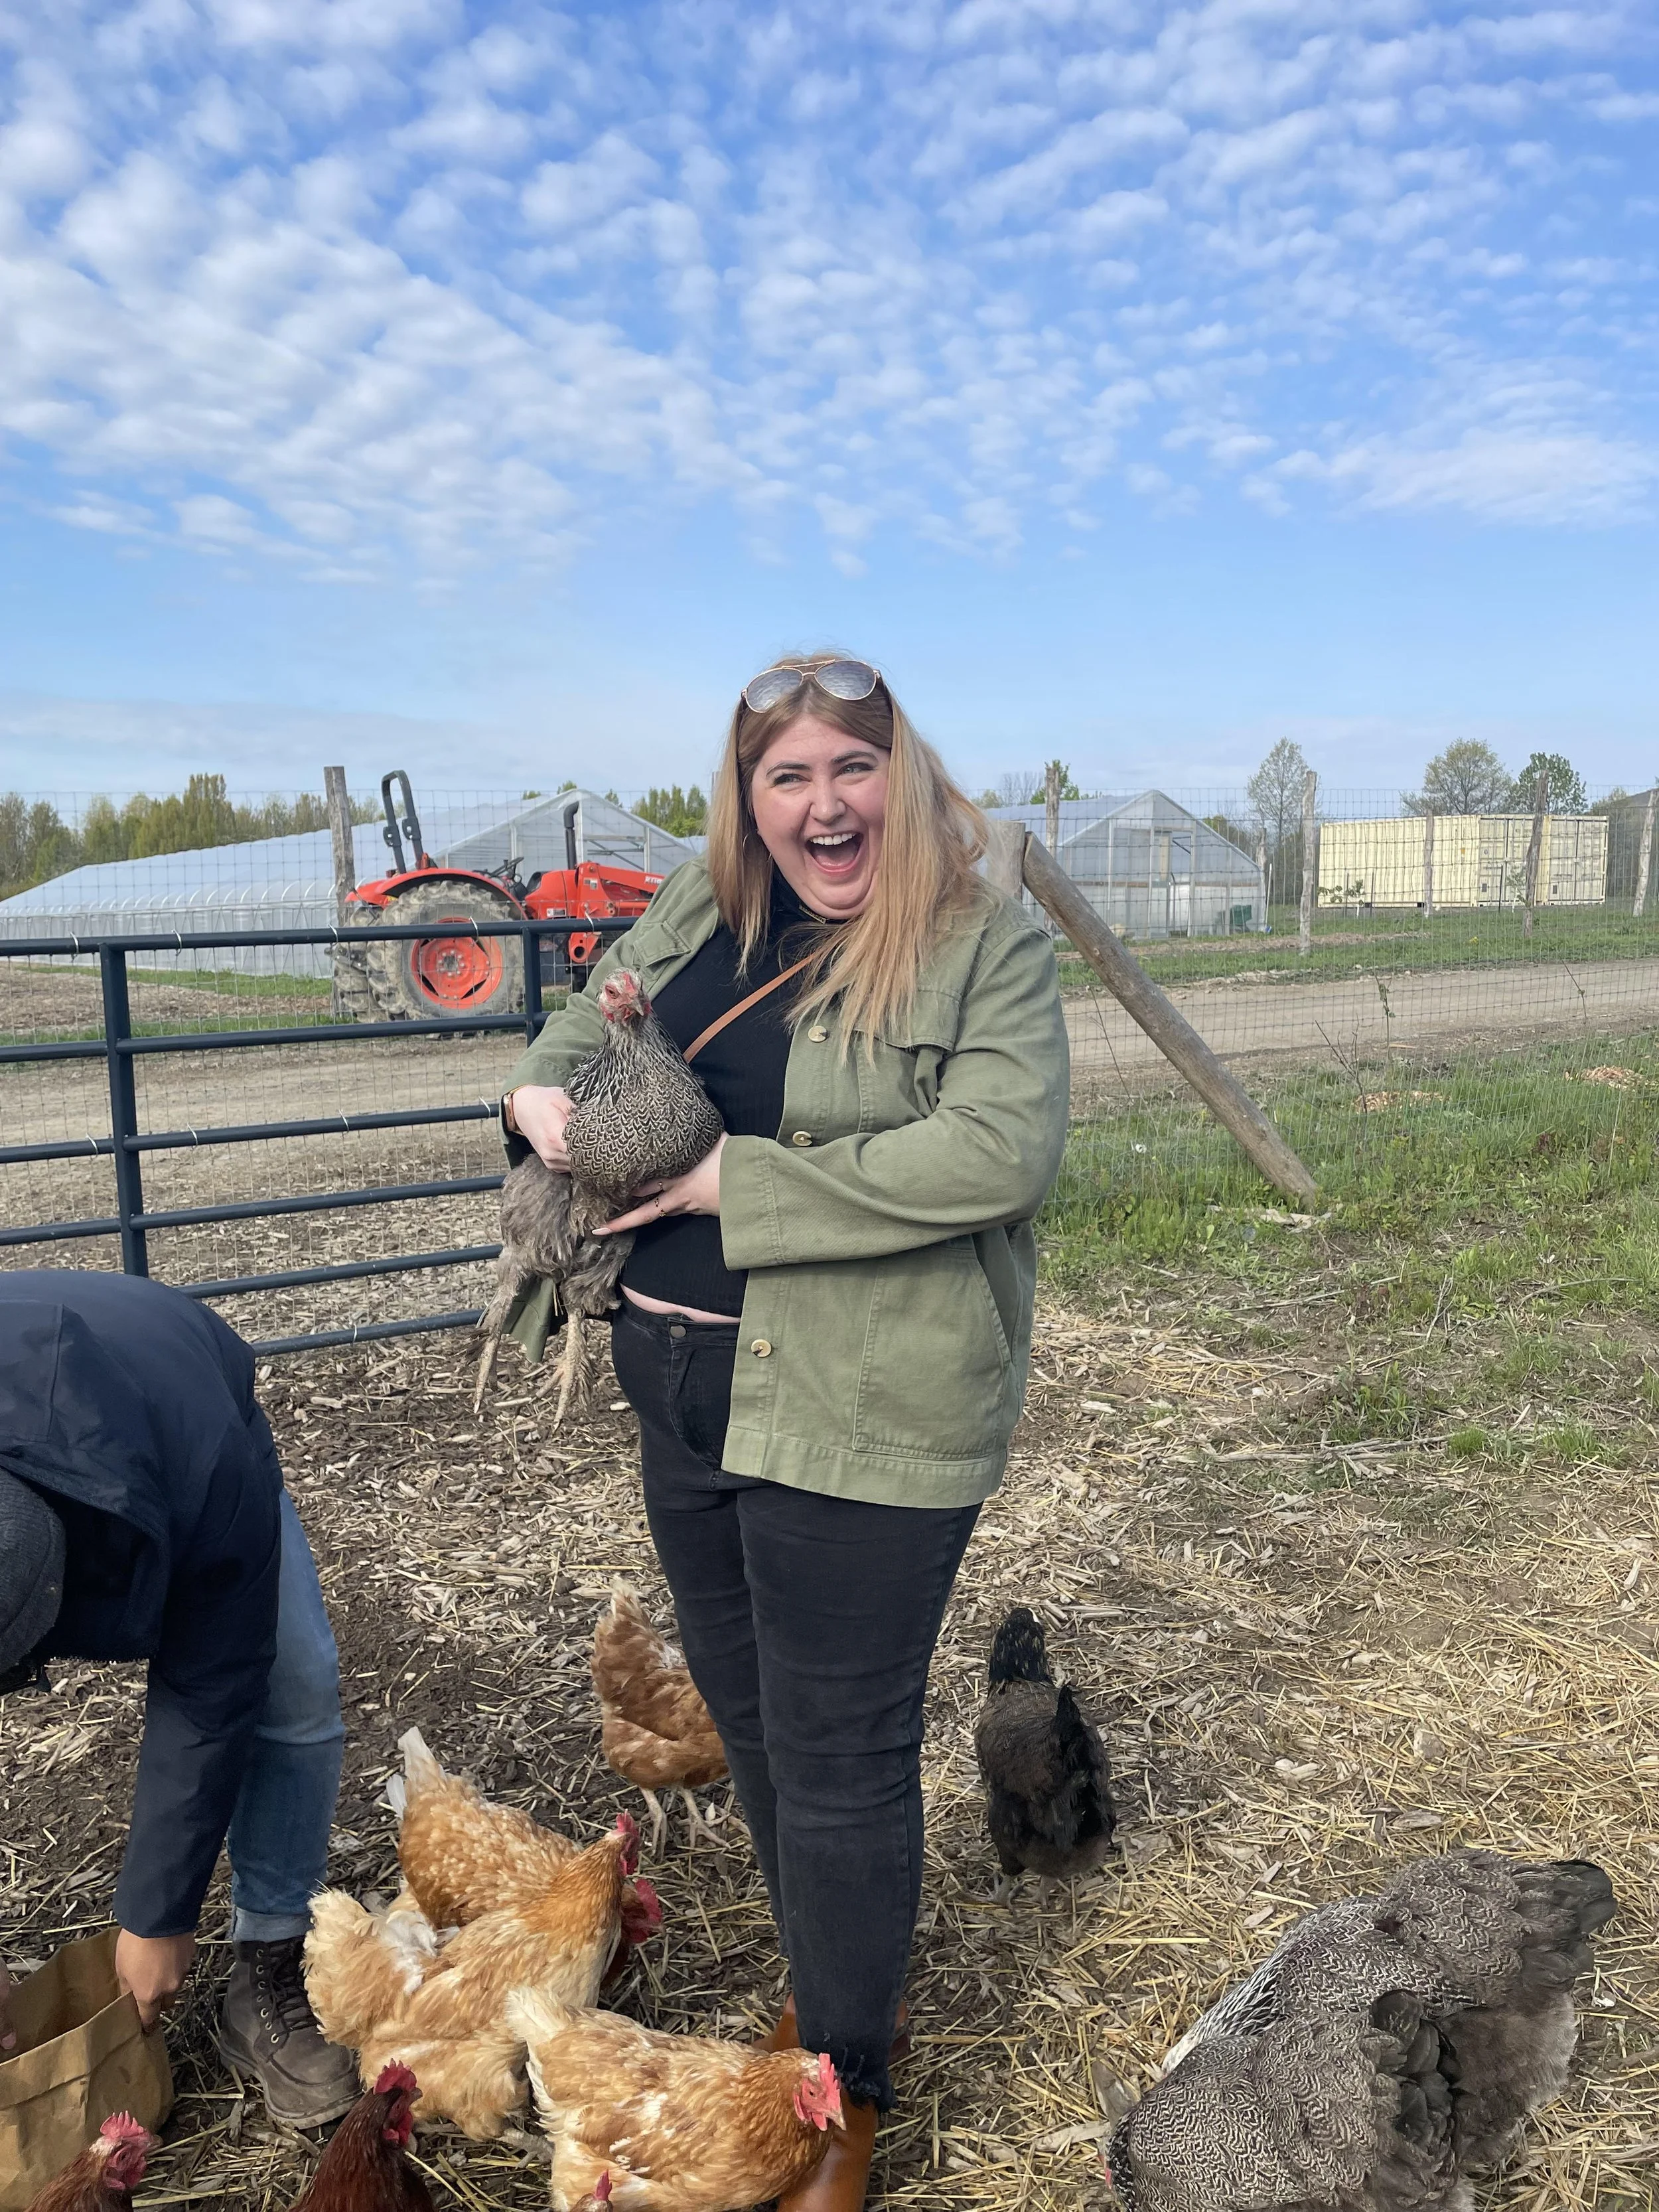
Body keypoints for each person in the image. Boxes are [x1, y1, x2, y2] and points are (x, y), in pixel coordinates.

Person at [498, 654, 1070, 2210]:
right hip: (681, 1391)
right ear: (748, 797)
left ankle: (846, 2084)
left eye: (848, 768)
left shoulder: (981, 947)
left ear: (901, 774)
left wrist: (729, 1187)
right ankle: (833, 1987)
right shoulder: (701, 909)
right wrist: (543, 1105)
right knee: (750, 1722)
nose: (821, 803)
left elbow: (994, 1152)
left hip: (860, 1405)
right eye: (785, 776)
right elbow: (573, 1025)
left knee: (837, 1753)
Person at [0, 1270, 356, 2128]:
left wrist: (158, 1918)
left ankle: (270, 1954)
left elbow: (212, 1691)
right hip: (47, 1377)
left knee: (295, 1683)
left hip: (182, 1396)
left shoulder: (200, 1471)